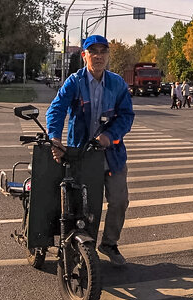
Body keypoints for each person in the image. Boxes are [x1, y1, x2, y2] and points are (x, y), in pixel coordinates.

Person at [46, 34, 135, 267]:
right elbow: (56, 110)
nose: (98, 56)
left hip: (111, 155)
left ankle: (109, 243)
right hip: (82, 154)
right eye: (92, 51)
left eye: (103, 51)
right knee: (84, 205)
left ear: (108, 56)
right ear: (84, 56)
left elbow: (126, 116)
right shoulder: (75, 82)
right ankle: (80, 250)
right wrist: (55, 138)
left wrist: (109, 135)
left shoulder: (117, 84)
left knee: (119, 200)